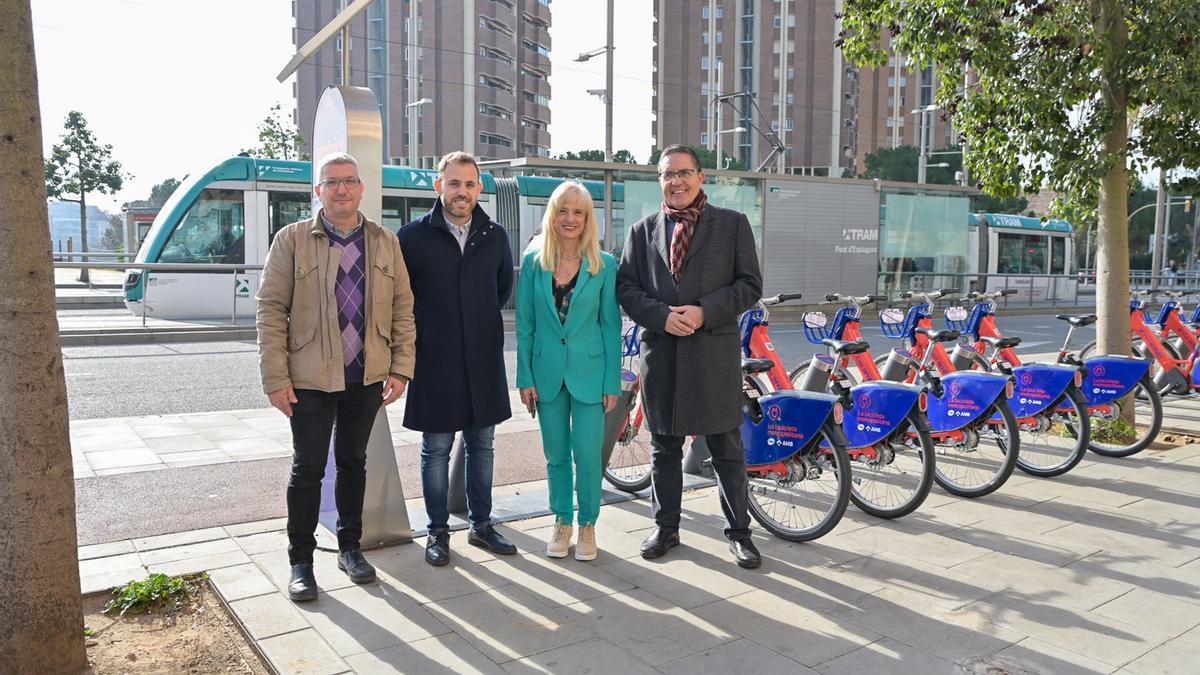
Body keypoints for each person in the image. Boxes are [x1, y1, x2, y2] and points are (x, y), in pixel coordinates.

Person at [257, 152, 416, 602]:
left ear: (362, 188)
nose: (341, 189)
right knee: (307, 468)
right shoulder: (291, 240)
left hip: (366, 376)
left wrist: (402, 367)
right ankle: (301, 562)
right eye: (332, 183)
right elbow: (270, 309)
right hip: (308, 378)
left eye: (349, 181)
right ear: (318, 191)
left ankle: (350, 548)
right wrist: (275, 377)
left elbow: (403, 308)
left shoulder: (385, 242)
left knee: (353, 463)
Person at [616, 144, 764, 569]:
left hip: (712, 354)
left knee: (726, 450)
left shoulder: (732, 225)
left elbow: (750, 285)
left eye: (683, 172)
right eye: (667, 174)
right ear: (659, 181)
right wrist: (661, 316)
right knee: (664, 448)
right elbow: (626, 288)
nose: (675, 181)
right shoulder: (642, 231)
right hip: (662, 355)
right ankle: (666, 528)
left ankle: (739, 534)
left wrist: (704, 311)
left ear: (700, 177)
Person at [398, 151, 517, 566]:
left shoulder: (495, 235)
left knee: (482, 446)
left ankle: (481, 526)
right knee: (436, 449)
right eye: (454, 183)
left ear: (479, 188)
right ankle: (437, 532)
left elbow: (501, 289)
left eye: (469, 184)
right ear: (438, 186)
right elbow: (402, 299)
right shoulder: (411, 238)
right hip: (435, 360)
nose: (462, 191)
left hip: (482, 360)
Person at [515, 182, 622, 561]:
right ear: (553, 215)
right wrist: (524, 377)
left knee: (588, 455)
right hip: (546, 374)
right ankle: (562, 520)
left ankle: (588, 523)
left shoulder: (604, 265)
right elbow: (525, 325)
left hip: (591, 374)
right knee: (556, 454)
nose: (571, 219)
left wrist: (613, 381)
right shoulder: (533, 262)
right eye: (564, 211)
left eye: (579, 212)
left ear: (588, 219)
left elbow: (611, 327)